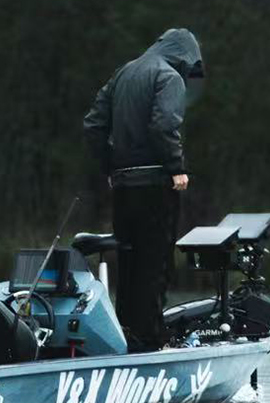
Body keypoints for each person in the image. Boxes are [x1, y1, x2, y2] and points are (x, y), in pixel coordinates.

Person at [81, 27, 205, 351]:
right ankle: (150, 341)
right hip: (155, 186)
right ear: (184, 56)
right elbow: (164, 124)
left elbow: (93, 124)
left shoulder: (124, 73)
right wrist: (176, 167)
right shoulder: (169, 77)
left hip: (123, 185)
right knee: (155, 262)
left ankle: (124, 337)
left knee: (129, 262)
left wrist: (109, 166)